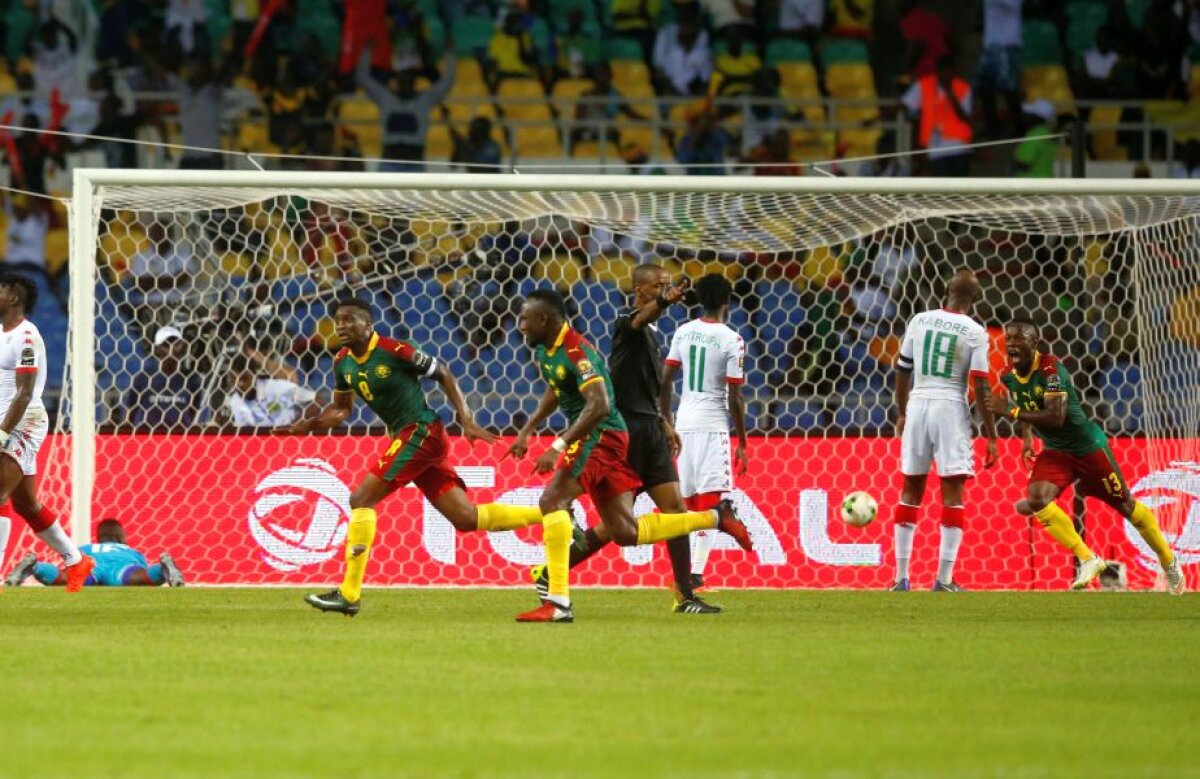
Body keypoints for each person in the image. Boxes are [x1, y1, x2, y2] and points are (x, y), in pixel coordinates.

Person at [279, 298, 551, 617]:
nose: (341, 326)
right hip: (408, 438)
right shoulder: (342, 362)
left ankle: (349, 594)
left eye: (349, 320)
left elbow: (444, 373)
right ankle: (553, 515)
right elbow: (343, 409)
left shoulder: (395, 350)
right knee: (465, 518)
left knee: (361, 499)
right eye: (337, 320)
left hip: (421, 431)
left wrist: (466, 419)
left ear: (368, 325)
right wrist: (309, 424)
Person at [505, 289, 753, 623]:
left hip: (601, 435)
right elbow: (557, 384)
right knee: (623, 531)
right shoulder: (550, 352)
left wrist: (557, 445)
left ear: (543, 319)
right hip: (619, 433)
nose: (519, 325)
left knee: (552, 501)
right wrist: (528, 428)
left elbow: (599, 405)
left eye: (524, 319)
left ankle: (558, 602)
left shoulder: (578, 350)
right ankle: (715, 517)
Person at [986, 317, 1185, 593]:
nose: (1011, 344)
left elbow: (1056, 416)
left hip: (1088, 447)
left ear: (1034, 342)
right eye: (1008, 339)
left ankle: (1168, 560)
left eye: (1019, 338)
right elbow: (1027, 402)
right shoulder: (1009, 375)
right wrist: (1028, 438)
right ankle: (1088, 558)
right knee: (1037, 499)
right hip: (1055, 451)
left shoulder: (1051, 369)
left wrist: (1010, 412)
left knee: (1127, 507)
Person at [891, 270, 999, 592]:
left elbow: (902, 370)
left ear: (945, 293)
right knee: (952, 494)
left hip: (918, 402)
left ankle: (900, 579)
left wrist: (901, 412)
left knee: (910, 489)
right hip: (951, 406)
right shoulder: (976, 331)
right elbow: (980, 384)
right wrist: (991, 435)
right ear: (975, 301)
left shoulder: (920, 320)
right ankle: (945, 579)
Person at [0, 273, 93, 591]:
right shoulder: (2, 333)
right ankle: (76, 561)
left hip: (23, 421)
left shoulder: (27, 337)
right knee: (26, 504)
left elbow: (24, 394)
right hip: (4, 420)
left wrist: (2, 434)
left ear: (14, 297)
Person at [660, 274, 749, 589]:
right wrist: (742, 442)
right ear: (727, 301)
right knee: (710, 501)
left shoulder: (683, 332)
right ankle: (694, 573)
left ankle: (685, 575)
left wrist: (665, 419)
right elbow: (735, 396)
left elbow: (665, 378)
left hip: (683, 424)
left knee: (684, 500)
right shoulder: (732, 339)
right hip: (713, 426)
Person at [357, 45, 456, 171]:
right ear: (396, 78)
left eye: (410, 76)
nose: (406, 80)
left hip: (415, 164)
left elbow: (448, 81)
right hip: (389, 163)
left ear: (415, 80)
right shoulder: (385, 97)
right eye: (403, 76)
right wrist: (368, 49)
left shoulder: (425, 99)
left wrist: (449, 51)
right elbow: (362, 78)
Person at [5, 518, 184, 587]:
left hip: (87, 561)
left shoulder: (86, 547)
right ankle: (163, 568)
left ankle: (36, 566)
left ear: (98, 538)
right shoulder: (130, 551)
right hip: (121, 564)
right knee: (141, 576)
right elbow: (140, 568)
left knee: (64, 577)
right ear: (122, 539)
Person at [902, 56, 973, 177]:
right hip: (935, 148)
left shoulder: (962, 87)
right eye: (942, 70)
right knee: (941, 188)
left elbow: (965, 117)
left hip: (959, 148)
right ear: (937, 71)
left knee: (959, 189)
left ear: (953, 71)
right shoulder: (924, 84)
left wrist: (951, 95)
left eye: (948, 71)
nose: (945, 74)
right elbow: (905, 105)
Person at [125, 326, 205, 429]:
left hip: (180, 438)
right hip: (150, 438)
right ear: (156, 349)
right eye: (166, 345)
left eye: (175, 344)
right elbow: (130, 413)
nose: (171, 348)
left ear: (183, 346)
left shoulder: (192, 379)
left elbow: (196, 413)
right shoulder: (144, 378)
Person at [225, 352, 318, 428]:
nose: (239, 384)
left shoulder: (278, 388)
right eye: (233, 379)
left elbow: (317, 399)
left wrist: (297, 424)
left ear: (254, 375)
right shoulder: (235, 401)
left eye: (244, 378)